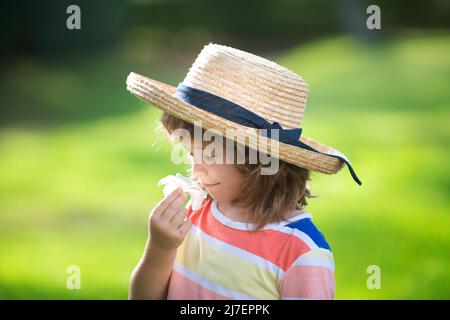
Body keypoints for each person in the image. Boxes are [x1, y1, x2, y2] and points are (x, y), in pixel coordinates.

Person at [126, 43, 361, 300]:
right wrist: (160, 249)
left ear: (262, 162)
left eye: (211, 154)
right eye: (190, 153)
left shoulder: (299, 251)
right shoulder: (194, 213)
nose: (195, 169)